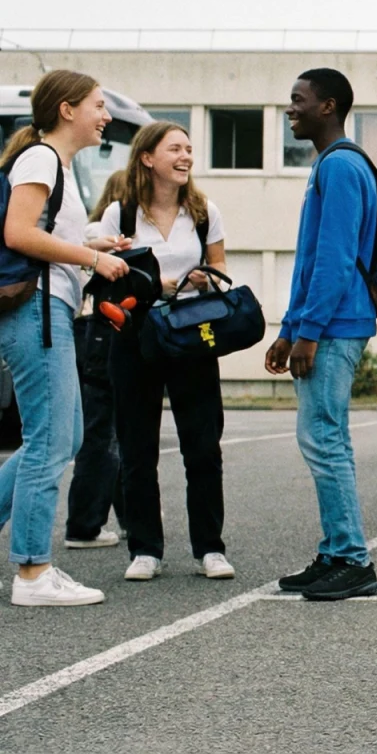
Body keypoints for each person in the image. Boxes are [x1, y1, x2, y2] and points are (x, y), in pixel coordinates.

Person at [0, 70, 131, 607]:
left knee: (64, 436)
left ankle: (32, 565)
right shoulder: (40, 159)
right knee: (50, 442)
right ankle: (32, 573)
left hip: (48, 308)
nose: (105, 116)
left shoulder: (57, 164)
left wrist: (98, 240)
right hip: (38, 310)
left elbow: (48, 231)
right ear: (67, 109)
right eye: (99, 105)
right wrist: (93, 257)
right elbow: (19, 233)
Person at [93, 123, 235, 582]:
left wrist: (204, 278)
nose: (186, 155)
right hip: (135, 337)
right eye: (175, 148)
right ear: (148, 158)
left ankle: (210, 548)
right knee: (137, 449)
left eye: (190, 149)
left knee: (203, 447)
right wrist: (158, 284)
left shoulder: (204, 211)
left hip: (190, 335)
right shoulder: (121, 213)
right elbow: (107, 274)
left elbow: (220, 269)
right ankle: (145, 549)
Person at [266, 68, 377, 601]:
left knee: (325, 439)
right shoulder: (331, 166)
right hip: (323, 324)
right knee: (324, 438)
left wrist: (308, 332)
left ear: (328, 106)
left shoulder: (339, 168)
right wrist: (290, 329)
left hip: (335, 327)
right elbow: (311, 260)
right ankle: (337, 551)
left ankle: (353, 560)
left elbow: (335, 260)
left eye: (299, 100)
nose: (291, 109)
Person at [63, 168, 130, 550]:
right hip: (97, 333)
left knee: (112, 428)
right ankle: (85, 523)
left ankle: (122, 515)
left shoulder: (90, 232)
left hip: (86, 332)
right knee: (102, 429)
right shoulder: (94, 237)